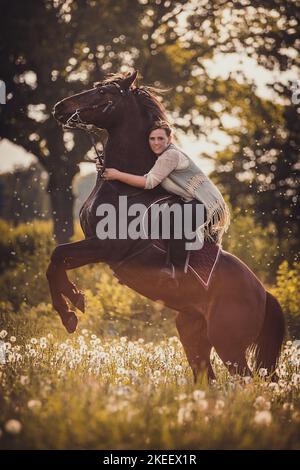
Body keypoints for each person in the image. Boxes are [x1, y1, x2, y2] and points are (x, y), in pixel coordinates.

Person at [96, 121, 230, 286]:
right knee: (157, 221)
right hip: (190, 202)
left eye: (160, 138)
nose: (156, 142)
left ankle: (177, 272)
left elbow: (148, 182)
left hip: (207, 205)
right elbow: (140, 175)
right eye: (152, 139)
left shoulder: (170, 155)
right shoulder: (161, 158)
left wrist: (116, 174)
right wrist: (107, 168)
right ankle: (139, 268)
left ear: (169, 139)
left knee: (177, 220)